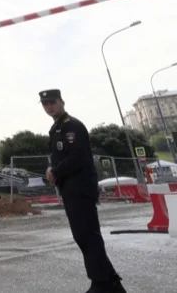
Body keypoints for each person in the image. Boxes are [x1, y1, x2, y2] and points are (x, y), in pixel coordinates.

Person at [41, 89, 126, 293]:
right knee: (85, 236)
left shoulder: (72, 126)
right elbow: (61, 156)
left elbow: (77, 157)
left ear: (62, 102)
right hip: (70, 187)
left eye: (52, 102)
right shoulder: (57, 128)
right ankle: (111, 282)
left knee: (87, 236)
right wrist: (52, 168)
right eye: (45, 104)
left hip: (80, 187)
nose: (49, 106)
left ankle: (101, 283)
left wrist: (56, 171)